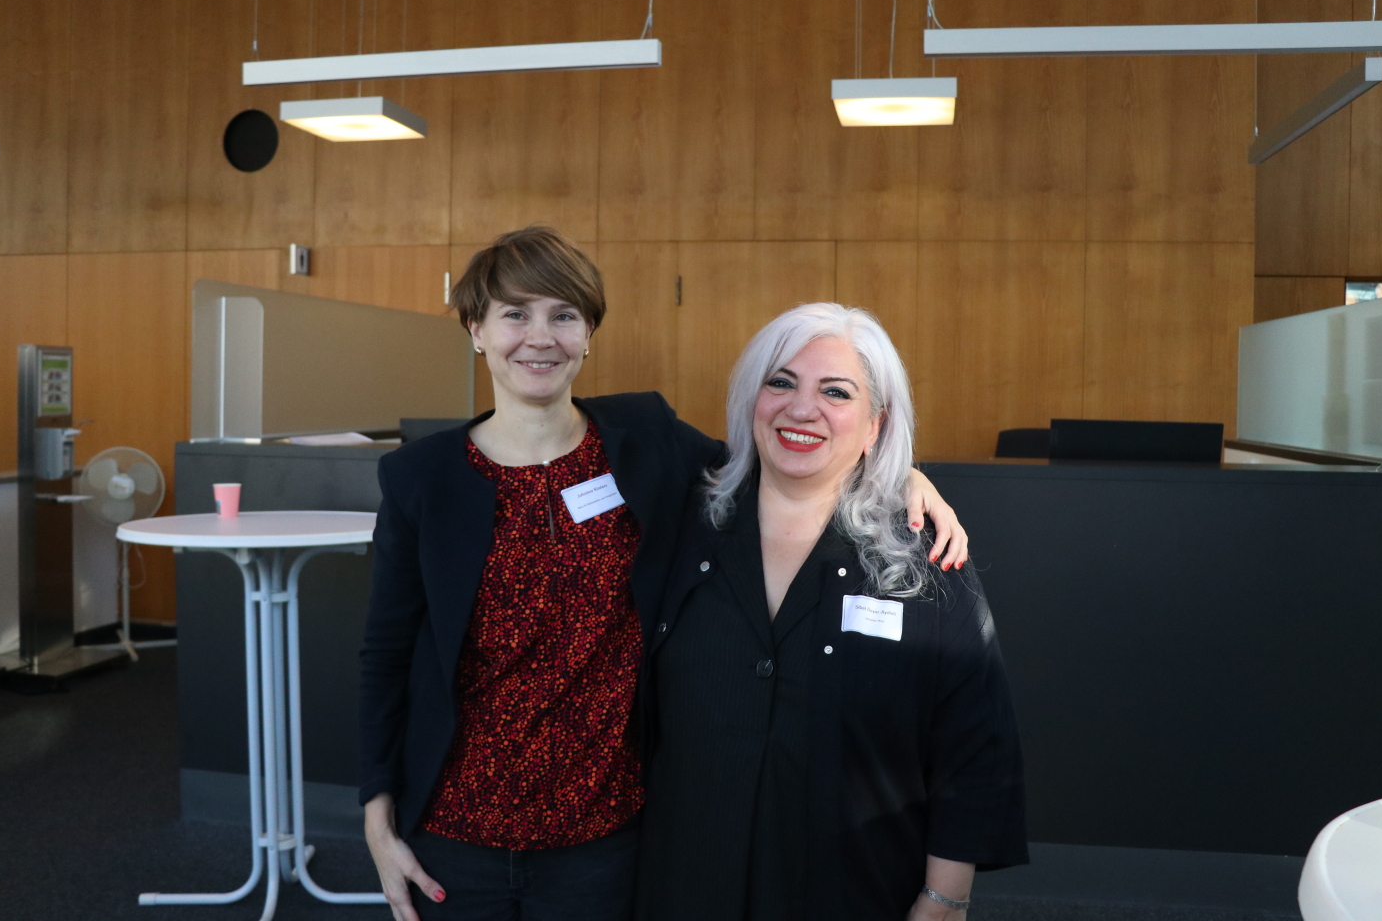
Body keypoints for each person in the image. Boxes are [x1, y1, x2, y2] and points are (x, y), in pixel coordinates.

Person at [359, 228, 970, 921]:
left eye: (563, 315)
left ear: (588, 332)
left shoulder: (645, 443)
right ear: (476, 328)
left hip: (604, 838)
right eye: (514, 313)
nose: (540, 336)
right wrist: (377, 818)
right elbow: (386, 655)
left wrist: (900, 475)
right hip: (454, 830)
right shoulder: (420, 477)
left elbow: (783, 459)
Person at [638, 303, 1027, 921]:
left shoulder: (922, 554)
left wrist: (946, 895)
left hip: (854, 890)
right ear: (751, 399)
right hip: (685, 883)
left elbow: (974, 740)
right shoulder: (682, 525)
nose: (801, 408)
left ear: (875, 425)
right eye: (781, 382)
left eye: (836, 392)